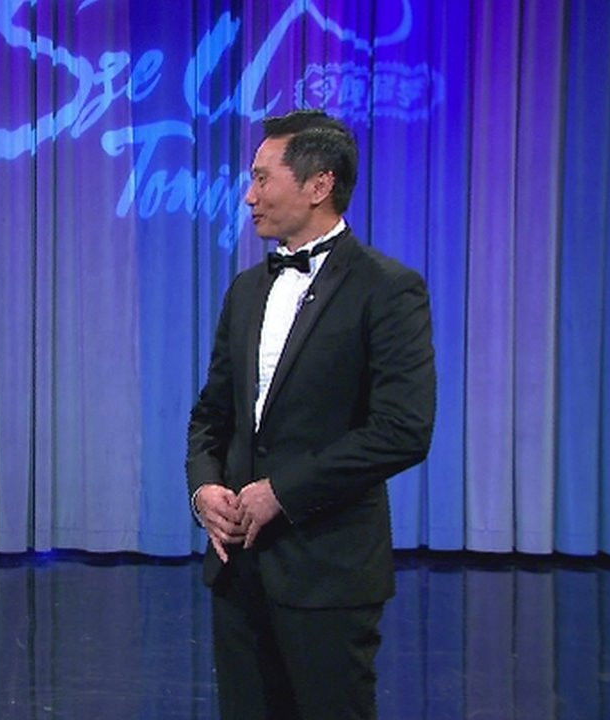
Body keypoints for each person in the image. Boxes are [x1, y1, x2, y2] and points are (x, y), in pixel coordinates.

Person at [186, 109, 436, 719]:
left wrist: (283, 492)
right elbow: (212, 414)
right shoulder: (246, 290)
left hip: (329, 571)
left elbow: (403, 430)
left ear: (319, 184)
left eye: (261, 178)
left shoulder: (388, 288)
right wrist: (204, 489)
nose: (249, 196)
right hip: (239, 571)